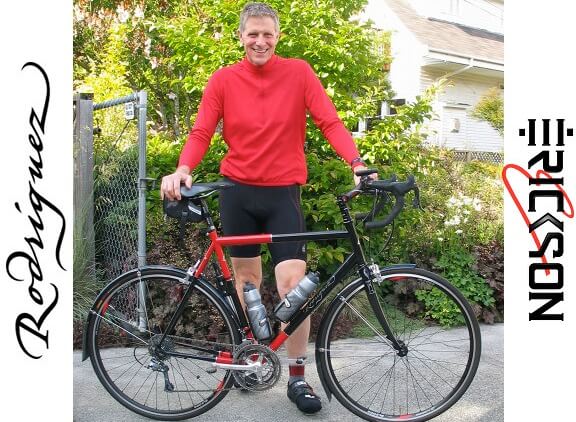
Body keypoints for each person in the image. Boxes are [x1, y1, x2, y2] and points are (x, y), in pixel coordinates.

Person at [161, 2, 369, 415]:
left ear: (277, 37)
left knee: (294, 287)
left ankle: (297, 377)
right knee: (248, 284)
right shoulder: (223, 79)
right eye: (252, 34)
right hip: (236, 191)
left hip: (282, 194)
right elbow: (202, 130)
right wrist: (183, 167)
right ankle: (251, 360)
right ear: (241, 37)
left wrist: (357, 162)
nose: (260, 41)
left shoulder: (299, 73)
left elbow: (329, 121)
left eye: (267, 34)